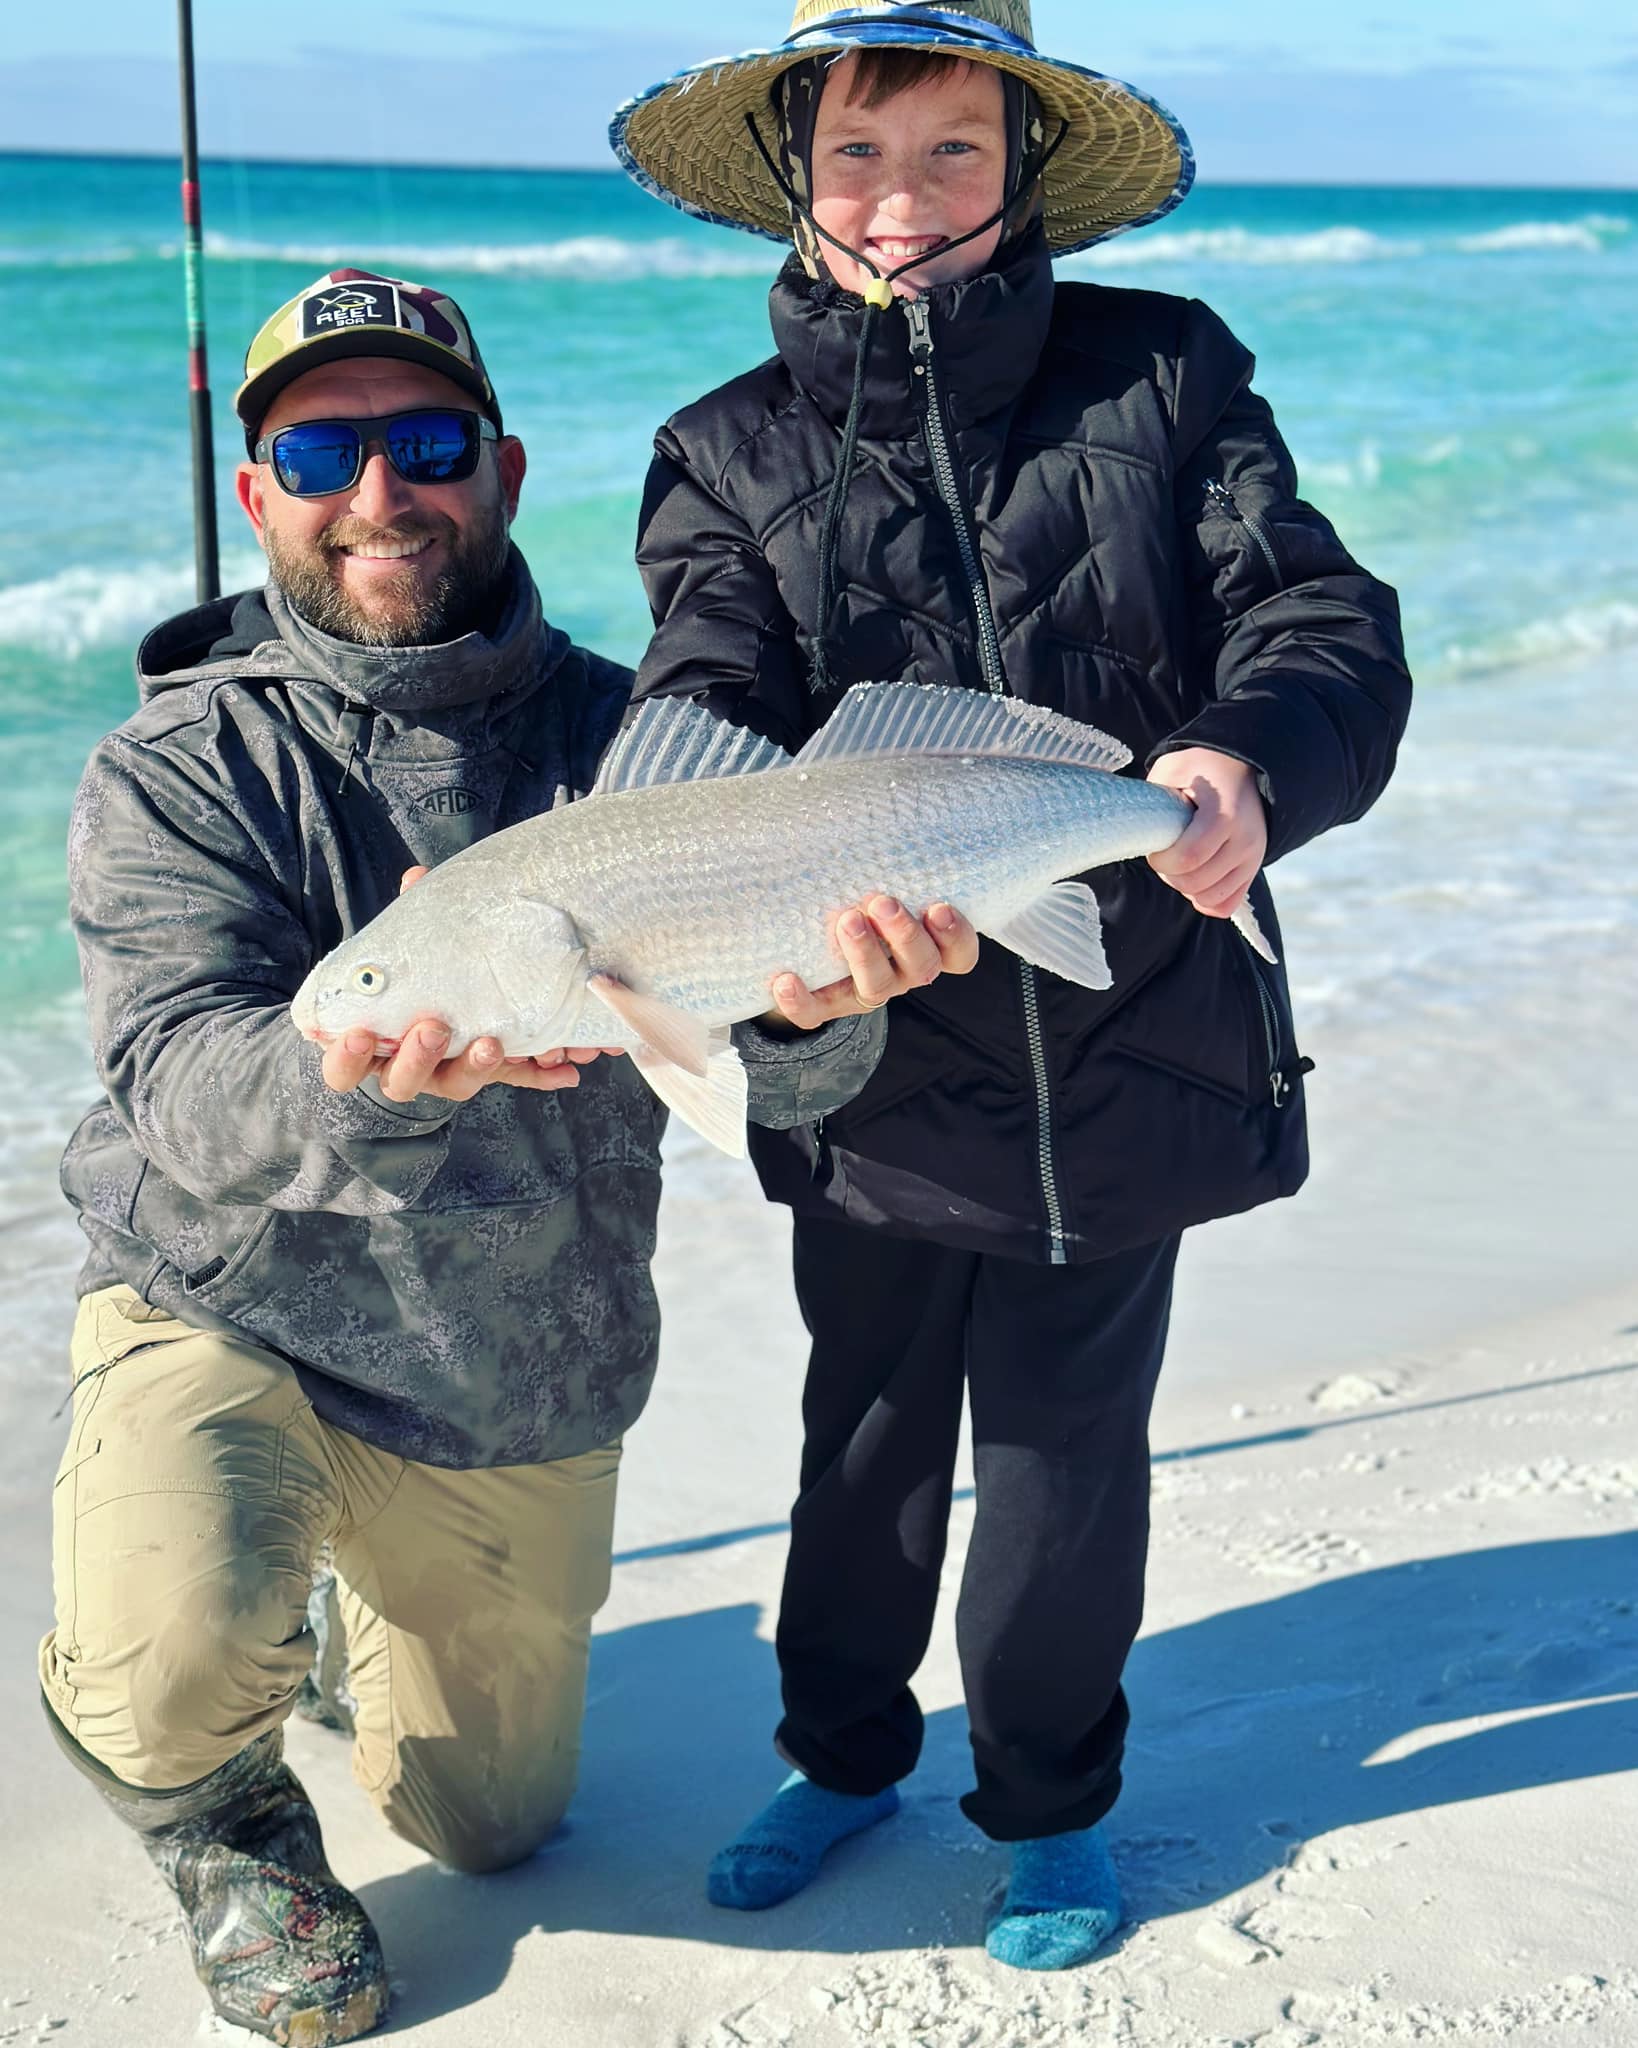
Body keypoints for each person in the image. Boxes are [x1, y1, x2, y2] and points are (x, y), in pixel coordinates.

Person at [41, 266, 977, 2045]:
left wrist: (830, 1008)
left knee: (491, 1831)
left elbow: (781, 1087)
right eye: (320, 451)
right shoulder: (176, 766)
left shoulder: (647, 738)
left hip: (514, 1371)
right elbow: (177, 1086)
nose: (377, 494)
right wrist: (380, 1088)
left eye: (425, 440)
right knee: (168, 1660)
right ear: (259, 498)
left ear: (504, 467)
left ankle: (332, 1631)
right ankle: (223, 1820)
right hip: (234, 1324)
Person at [613, 0, 1412, 1972]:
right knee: (865, 1436)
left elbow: (1316, 610)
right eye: (864, 155)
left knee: (1068, 1454)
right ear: (795, 167)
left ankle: (1052, 1805)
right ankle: (839, 1749)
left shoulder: (1164, 377)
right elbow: (700, 695)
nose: (903, 200)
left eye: (955, 151)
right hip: (868, 1044)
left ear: (1026, 166)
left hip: (1134, 1024)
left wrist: (1248, 758)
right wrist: (753, 929)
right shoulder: (723, 451)